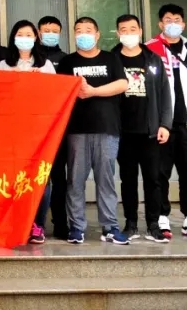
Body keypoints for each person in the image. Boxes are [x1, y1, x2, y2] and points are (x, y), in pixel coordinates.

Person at [56, 16, 129, 245]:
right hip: (76, 130)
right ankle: (77, 227)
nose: (83, 34)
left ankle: (110, 226)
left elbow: (122, 84)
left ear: (97, 35)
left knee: (105, 179)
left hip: (107, 128)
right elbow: (61, 92)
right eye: (79, 30)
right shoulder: (67, 62)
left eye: (88, 30)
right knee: (75, 180)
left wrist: (93, 91)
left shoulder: (111, 58)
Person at [145, 4, 187, 239]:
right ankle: (162, 216)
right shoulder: (150, 48)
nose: (172, 23)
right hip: (162, 123)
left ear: (184, 24)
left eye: (177, 19)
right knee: (160, 172)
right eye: (168, 19)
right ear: (160, 23)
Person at [113, 14, 172, 243]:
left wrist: (165, 124)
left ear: (140, 31)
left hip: (150, 131)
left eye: (132, 29)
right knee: (127, 180)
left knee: (153, 179)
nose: (128, 33)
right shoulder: (112, 59)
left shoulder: (153, 59)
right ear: (118, 33)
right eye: (123, 29)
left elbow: (165, 94)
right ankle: (131, 223)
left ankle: (153, 224)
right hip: (122, 131)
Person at [0, 20, 55, 244]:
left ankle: (37, 224)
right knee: (13, 178)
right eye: (20, 34)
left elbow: (55, 95)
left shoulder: (45, 65)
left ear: (36, 38)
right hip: (11, 131)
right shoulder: (4, 64)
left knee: (41, 179)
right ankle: (14, 223)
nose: (24, 38)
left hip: (39, 132)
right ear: (13, 37)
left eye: (28, 34)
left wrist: (40, 81)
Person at [38, 14, 68, 239]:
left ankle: (60, 222)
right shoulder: (34, 59)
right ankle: (34, 221)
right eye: (46, 30)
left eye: (54, 31)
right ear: (38, 33)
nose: (50, 34)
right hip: (35, 128)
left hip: (59, 128)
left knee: (58, 177)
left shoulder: (66, 60)